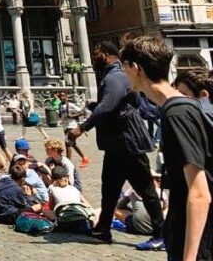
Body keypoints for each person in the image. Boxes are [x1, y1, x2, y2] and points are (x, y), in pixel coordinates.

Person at [120, 35, 212, 259]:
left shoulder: (176, 113)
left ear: (136, 68)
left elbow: (200, 192)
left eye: (124, 68)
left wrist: (189, 257)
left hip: (195, 241)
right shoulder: (183, 106)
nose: (123, 74)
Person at [68, 40, 164, 247]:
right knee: (109, 190)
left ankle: (161, 234)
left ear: (105, 53)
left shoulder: (114, 77)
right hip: (117, 145)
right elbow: (128, 102)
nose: (94, 58)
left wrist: (81, 127)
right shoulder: (119, 76)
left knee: (146, 190)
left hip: (127, 144)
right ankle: (103, 229)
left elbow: (106, 107)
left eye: (97, 54)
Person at [57, 90, 90, 166]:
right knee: (72, 143)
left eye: (63, 96)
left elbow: (82, 112)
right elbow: (62, 115)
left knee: (67, 142)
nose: (62, 98)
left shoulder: (71, 105)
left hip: (72, 125)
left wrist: (72, 116)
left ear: (66, 96)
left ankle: (68, 163)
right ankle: (85, 158)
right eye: (60, 96)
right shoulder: (60, 105)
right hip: (65, 126)